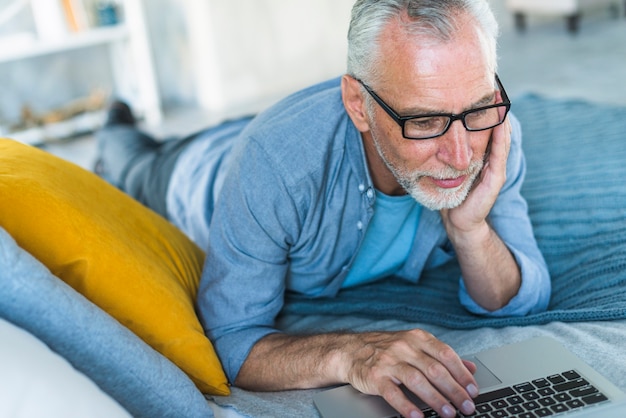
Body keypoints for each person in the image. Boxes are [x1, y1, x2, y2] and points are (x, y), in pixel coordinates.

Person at [95, 1, 551, 417]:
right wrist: (346, 353)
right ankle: (116, 125)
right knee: (132, 161)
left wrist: (471, 230)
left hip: (274, 137)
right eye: (424, 121)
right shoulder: (272, 164)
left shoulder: (490, 130)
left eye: (474, 110)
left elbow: (522, 296)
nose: (460, 155)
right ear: (358, 104)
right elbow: (229, 340)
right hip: (197, 174)